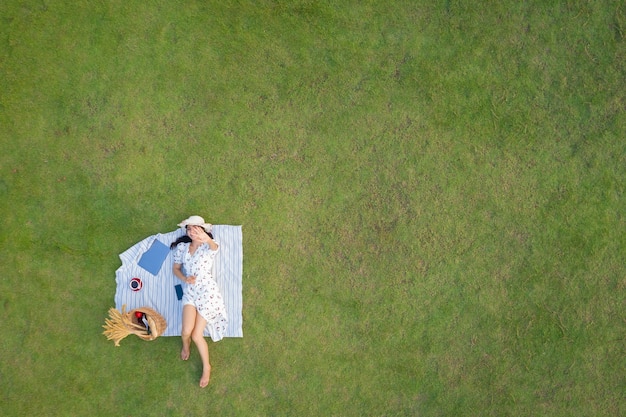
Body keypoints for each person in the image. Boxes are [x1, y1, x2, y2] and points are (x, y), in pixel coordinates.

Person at [171, 215, 228, 387]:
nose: (192, 232)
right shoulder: (182, 247)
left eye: (196, 229)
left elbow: (214, 246)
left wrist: (206, 239)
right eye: (189, 229)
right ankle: (185, 346)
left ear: (203, 231)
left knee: (197, 334)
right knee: (186, 331)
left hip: (206, 291)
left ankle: (207, 367)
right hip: (190, 291)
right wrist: (184, 278)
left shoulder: (207, 245)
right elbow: (175, 269)